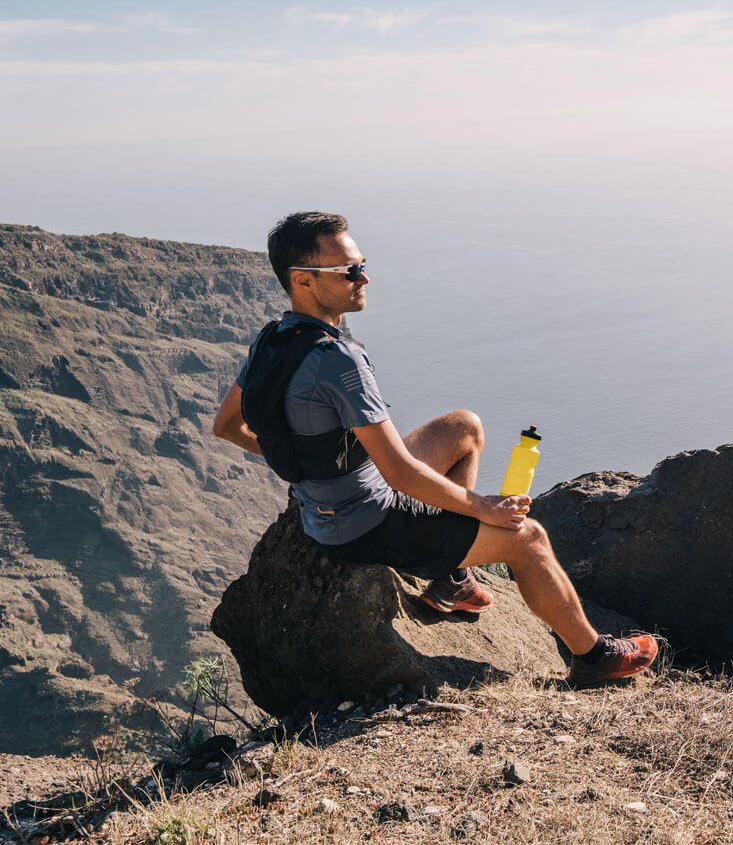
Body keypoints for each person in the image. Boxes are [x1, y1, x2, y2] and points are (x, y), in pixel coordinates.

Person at [212, 211, 657, 686]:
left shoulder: (272, 340)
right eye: (348, 271)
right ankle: (595, 659)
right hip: (364, 522)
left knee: (464, 428)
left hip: (332, 501)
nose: (363, 277)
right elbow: (401, 475)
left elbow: (226, 425)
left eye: (362, 264)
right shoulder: (337, 360)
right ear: (302, 280)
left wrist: (303, 466)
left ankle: (452, 579)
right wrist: (483, 508)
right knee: (528, 540)